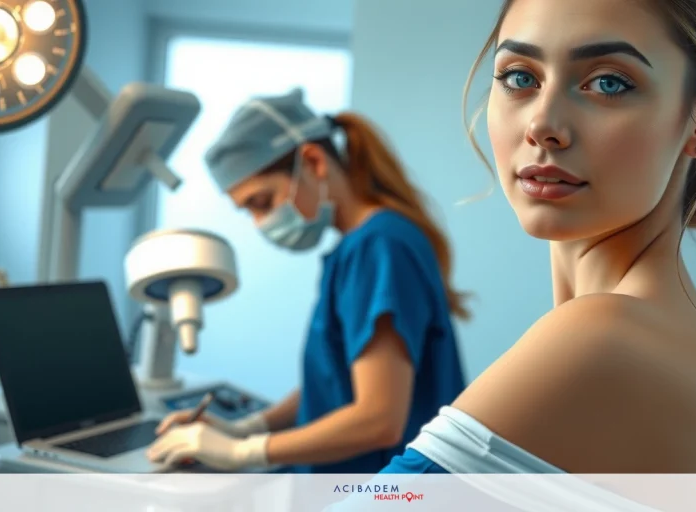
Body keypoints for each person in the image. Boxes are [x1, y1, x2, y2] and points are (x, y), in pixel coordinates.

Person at [377, 0, 696, 478]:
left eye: (608, 83)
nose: (542, 126)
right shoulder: (683, 342)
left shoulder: (606, 339)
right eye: (520, 77)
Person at [146, 88, 469, 474]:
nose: (259, 223)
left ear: (313, 162)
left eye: (262, 202)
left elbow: (379, 419)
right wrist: (245, 428)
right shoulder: (360, 247)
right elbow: (337, 380)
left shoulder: (379, 247)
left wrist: (245, 452)